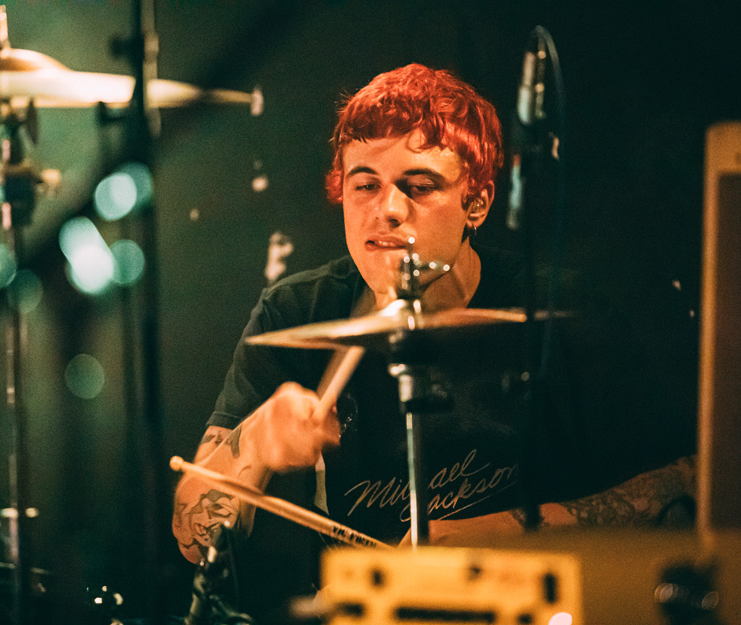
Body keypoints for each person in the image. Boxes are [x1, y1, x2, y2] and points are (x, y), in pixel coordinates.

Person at [172, 62, 696, 612]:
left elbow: (683, 486)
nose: (388, 210)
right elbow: (193, 538)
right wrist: (257, 439)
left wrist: (506, 533)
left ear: (478, 202)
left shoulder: (561, 312)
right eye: (365, 186)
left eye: (419, 187)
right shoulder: (295, 315)